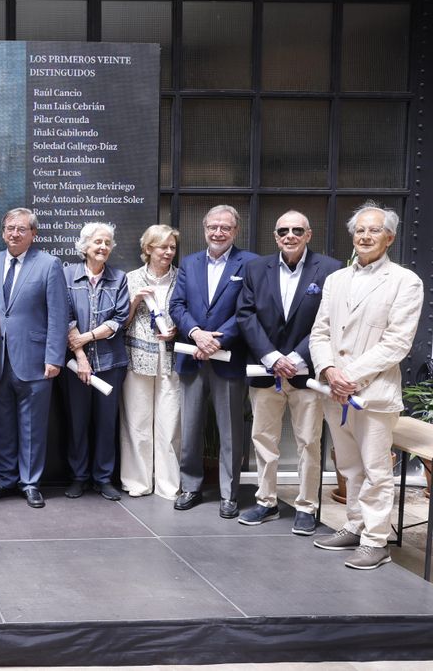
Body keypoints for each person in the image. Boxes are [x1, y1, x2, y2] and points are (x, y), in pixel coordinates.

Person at [310, 201, 423, 569]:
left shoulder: (406, 281)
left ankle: (376, 541)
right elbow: (320, 332)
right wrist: (329, 370)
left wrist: (350, 376)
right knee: (350, 466)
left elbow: (397, 343)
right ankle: (355, 526)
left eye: (374, 230)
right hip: (335, 392)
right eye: (360, 230)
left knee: (376, 470)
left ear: (389, 238)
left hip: (372, 395)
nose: (365, 235)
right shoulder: (336, 279)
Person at [235, 211, 341, 534]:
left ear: (309, 234)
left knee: (309, 441)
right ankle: (266, 502)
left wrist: (295, 357)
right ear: (275, 235)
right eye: (284, 230)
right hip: (266, 371)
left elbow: (328, 320)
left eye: (297, 230)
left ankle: (306, 506)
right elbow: (245, 315)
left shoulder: (331, 270)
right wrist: (271, 356)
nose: (290, 235)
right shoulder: (255, 268)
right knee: (263, 438)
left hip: (306, 372)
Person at [169, 205, 257, 518]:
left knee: (230, 430)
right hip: (193, 357)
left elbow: (249, 309)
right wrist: (196, 333)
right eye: (213, 227)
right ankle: (190, 487)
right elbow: (176, 305)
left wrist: (217, 339)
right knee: (190, 428)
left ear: (236, 231)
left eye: (225, 228)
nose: (218, 233)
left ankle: (229, 494)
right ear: (205, 228)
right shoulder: (189, 263)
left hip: (227, 358)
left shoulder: (250, 264)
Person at [0, 208, 66, 508]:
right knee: (1, 424)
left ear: (34, 234)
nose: (14, 233)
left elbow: (58, 314)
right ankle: (5, 479)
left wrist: (54, 357)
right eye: (10, 228)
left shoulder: (49, 264)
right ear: (3, 231)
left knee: (32, 427)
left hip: (36, 360)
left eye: (22, 229)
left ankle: (30, 483)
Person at [63, 222, 129, 502]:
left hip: (111, 363)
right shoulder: (66, 275)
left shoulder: (119, 278)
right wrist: (80, 357)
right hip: (75, 366)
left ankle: (103, 478)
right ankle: (79, 477)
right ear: (84, 246)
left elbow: (119, 319)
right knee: (77, 422)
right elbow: (64, 317)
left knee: (106, 423)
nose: (102, 247)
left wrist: (86, 338)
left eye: (107, 243)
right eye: (97, 242)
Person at [119, 224, 182, 500]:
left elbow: (188, 313)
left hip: (171, 358)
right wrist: (134, 301)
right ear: (148, 249)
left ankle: (168, 485)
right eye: (162, 247)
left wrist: (176, 329)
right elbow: (120, 322)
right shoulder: (130, 278)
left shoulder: (182, 278)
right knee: (136, 422)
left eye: (172, 247)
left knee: (170, 423)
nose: (168, 252)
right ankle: (137, 481)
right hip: (137, 357)